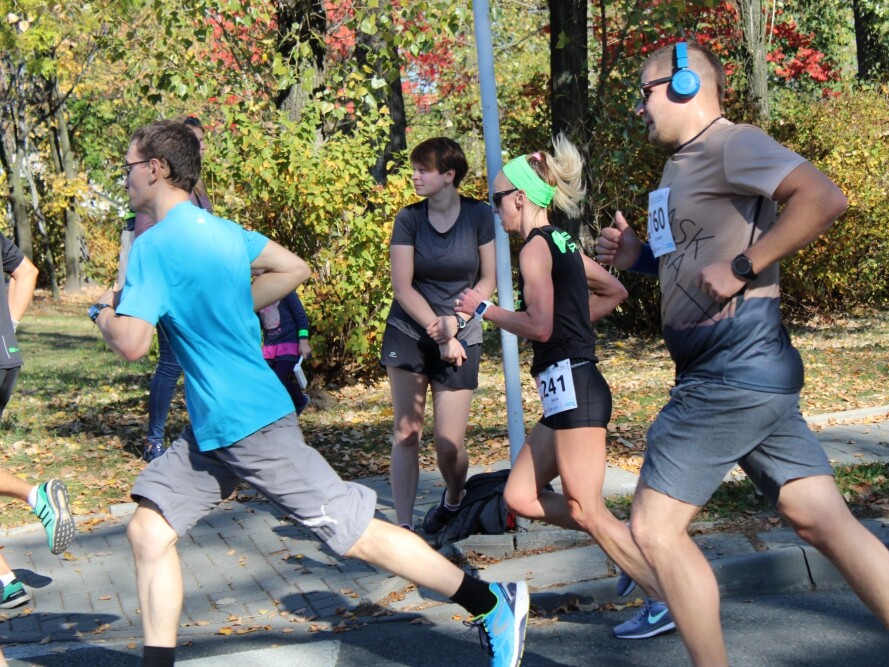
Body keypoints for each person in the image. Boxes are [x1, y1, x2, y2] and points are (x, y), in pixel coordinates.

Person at [91, 120, 527, 667]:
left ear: (156, 169)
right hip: (212, 429)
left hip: (248, 426)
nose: (126, 177)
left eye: (129, 166)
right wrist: (233, 307)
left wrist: (101, 312)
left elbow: (131, 342)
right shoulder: (223, 231)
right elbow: (291, 267)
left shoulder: (153, 245)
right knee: (148, 528)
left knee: (358, 533)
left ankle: (491, 602)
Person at [595, 41, 889, 667]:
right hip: (751, 375)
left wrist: (747, 264)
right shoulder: (676, 169)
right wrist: (636, 255)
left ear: (686, 85)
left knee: (652, 532)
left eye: (647, 90)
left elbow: (824, 197)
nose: (641, 106)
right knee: (817, 518)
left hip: (727, 374)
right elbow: (685, 264)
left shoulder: (732, 143)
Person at [456, 137, 673, 641]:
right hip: (564, 392)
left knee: (586, 508)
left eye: (496, 200)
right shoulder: (562, 242)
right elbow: (613, 290)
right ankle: (622, 544)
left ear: (519, 198)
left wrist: (484, 311)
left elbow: (538, 325)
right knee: (520, 495)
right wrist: (573, 328)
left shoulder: (535, 249)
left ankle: (662, 598)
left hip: (575, 388)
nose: (495, 212)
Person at [381, 137, 497, 533]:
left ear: (449, 175)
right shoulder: (409, 218)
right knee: (407, 431)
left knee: (448, 444)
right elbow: (403, 287)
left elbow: (488, 280)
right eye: (414, 169)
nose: (414, 176)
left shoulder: (479, 215)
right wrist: (440, 330)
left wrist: (458, 325)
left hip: (462, 333)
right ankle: (404, 529)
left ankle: (453, 497)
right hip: (408, 332)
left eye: (423, 170)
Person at [121, 115, 212, 463]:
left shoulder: (197, 189)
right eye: (196, 141)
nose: (201, 147)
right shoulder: (161, 199)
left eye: (203, 141)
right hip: (171, 294)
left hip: (195, 292)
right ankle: (154, 440)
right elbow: (148, 237)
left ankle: (199, 432)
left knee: (188, 362)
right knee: (172, 363)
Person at [0, 234, 76, 614]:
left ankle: (36, 496)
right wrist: (5, 329)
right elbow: (26, 272)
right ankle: (6, 583)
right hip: (4, 359)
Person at [257, 290, 311, 414]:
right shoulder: (257, 292)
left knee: (277, 378)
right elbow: (256, 322)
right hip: (270, 348)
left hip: (290, 346)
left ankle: (299, 401)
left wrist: (303, 340)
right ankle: (275, 410)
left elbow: (301, 316)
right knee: (263, 378)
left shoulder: (285, 290)